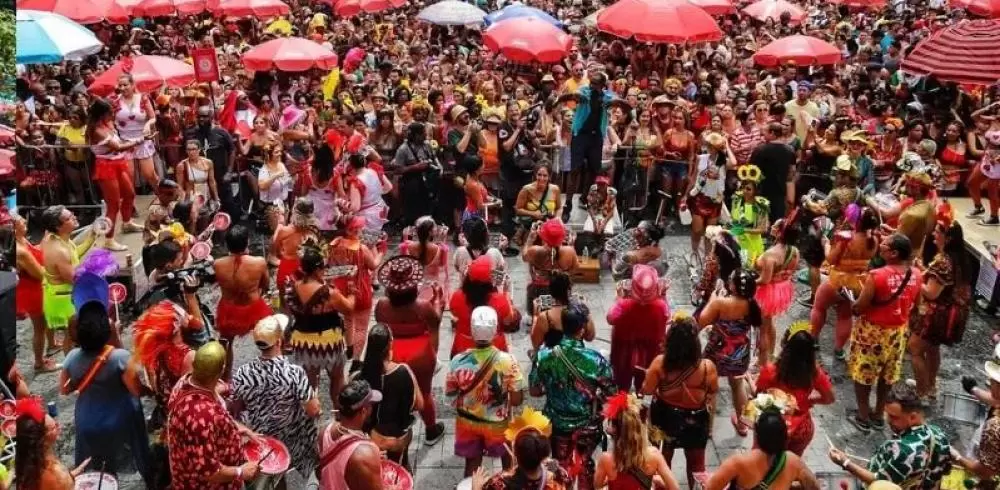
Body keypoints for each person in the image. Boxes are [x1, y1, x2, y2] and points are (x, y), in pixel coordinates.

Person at [59, 301, 152, 485]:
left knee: (100, 468)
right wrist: (149, 389)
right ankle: (151, 479)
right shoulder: (119, 357)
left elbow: (64, 388)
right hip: (120, 420)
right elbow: (135, 389)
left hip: (87, 419)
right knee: (140, 453)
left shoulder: (71, 357)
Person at [530, 303, 615, 490]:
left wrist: (554, 386)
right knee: (584, 464)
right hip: (587, 425)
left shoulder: (544, 355)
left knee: (560, 467)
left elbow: (534, 390)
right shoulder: (596, 360)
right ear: (582, 329)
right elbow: (612, 394)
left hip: (557, 423)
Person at [231, 314, 320, 486]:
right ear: (279, 341)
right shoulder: (294, 373)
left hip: (259, 438)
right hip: (290, 439)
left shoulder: (243, 373)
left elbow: (237, 406)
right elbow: (313, 410)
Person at [847, 233, 922, 433]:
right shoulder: (917, 274)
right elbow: (917, 306)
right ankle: (879, 414)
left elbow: (860, 307)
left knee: (862, 375)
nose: (881, 245)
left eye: (886, 245)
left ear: (894, 253)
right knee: (887, 376)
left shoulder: (876, 276)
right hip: (898, 333)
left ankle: (863, 415)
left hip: (872, 332)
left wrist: (852, 302)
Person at [374, 255, 447, 447]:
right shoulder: (422, 306)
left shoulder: (381, 305)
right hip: (421, 355)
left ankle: (396, 426)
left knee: (393, 390)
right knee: (425, 391)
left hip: (391, 352)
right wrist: (438, 300)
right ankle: (431, 429)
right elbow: (436, 320)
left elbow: (380, 325)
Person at [166, 342, 261, 490]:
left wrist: (237, 429)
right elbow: (209, 471)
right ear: (220, 371)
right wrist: (241, 471)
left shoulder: (185, 381)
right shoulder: (201, 417)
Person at [447, 306, 527, 478]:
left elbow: (451, 393)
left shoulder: (457, 361)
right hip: (497, 424)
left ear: (472, 330)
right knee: (508, 465)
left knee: (472, 468)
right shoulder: (508, 361)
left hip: (468, 423)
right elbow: (517, 400)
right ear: (495, 330)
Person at [640, 313, 718, 489]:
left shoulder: (660, 364)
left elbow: (647, 390)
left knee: (663, 462)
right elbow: (712, 394)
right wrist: (710, 426)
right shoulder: (708, 367)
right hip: (696, 421)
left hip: (665, 417)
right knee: (697, 467)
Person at [829, 381, 952, 489]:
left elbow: (878, 482)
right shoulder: (939, 434)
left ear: (913, 417)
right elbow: (941, 475)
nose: (888, 420)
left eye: (893, 417)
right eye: (887, 414)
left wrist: (846, 463)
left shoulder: (901, 450)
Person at [908, 206, 970, 402]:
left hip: (936, 314)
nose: (934, 232)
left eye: (938, 230)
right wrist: (924, 270)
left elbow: (931, 293)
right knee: (933, 349)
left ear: (948, 238)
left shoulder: (943, 261)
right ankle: (931, 385)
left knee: (915, 349)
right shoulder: (956, 259)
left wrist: (916, 275)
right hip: (948, 312)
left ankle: (921, 390)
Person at [286, 246, 356, 404]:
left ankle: (310, 414)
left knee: (309, 382)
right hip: (329, 341)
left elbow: (290, 310)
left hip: (303, 341)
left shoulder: (292, 287)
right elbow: (349, 309)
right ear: (318, 269)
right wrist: (351, 289)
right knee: (337, 378)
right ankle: (339, 413)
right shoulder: (328, 293)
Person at [698, 268, 762, 437]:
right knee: (738, 385)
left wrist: (712, 299)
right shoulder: (752, 304)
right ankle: (743, 424)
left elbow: (701, 322)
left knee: (710, 388)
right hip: (740, 352)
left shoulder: (720, 303)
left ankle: (709, 428)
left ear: (733, 286)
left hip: (717, 351)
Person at [810, 206, 879, 359]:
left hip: (837, 280)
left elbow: (831, 259)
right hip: (857, 284)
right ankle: (839, 349)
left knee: (819, 307)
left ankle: (813, 339)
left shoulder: (847, 238)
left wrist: (826, 245)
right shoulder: (874, 240)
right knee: (845, 316)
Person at [352, 324, 423, 469]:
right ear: (390, 344)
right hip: (398, 439)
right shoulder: (404, 371)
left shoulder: (357, 378)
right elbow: (419, 404)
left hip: (370, 441)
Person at [755, 328, 835, 456]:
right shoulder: (814, 374)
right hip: (801, 429)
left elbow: (759, 397)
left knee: (766, 460)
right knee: (791, 464)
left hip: (773, 427)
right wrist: (811, 400)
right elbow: (829, 398)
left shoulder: (770, 371)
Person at [85, 99, 147, 250]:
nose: (112, 115)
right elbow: (118, 147)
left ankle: (126, 223)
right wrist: (139, 140)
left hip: (118, 163)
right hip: (106, 166)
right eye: (110, 113)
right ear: (102, 115)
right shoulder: (96, 131)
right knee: (113, 206)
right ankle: (109, 239)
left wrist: (133, 140)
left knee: (130, 194)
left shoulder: (108, 124)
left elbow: (120, 144)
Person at [707, 409, 820, 490]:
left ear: (756, 433)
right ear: (784, 436)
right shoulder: (794, 462)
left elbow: (711, 488)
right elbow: (814, 487)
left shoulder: (737, 463)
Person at [213, 224, 272, 380]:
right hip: (254, 307)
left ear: (227, 244)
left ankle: (225, 378)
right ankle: (272, 371)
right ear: (247, 242)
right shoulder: (258, 262)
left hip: (228, 309)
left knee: (225, 343)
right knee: (270, 338)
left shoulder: (218, 264)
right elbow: (265, 285)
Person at [595, 392, 681, 490]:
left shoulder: (606, 459)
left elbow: (597, 485)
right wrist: (657, 481)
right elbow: (675, 488)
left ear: (615, 431)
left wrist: (609, 479)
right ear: (640, 428)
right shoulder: (654, 455)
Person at [131, 300, 197, 429]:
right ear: (176, 324)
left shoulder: (154, 353)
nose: (185, 314)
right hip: (186, 421)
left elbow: (155, 388)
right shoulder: (188, 356)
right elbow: (193, 395)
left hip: (168, 417)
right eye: (180, 313)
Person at [41, 206, 96, 353]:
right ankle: (70, 367)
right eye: (69, 218)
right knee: (71, 336)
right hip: (63, 298)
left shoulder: (57, 238)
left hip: (59, 292)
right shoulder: (58, 250)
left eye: (72, 214)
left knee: (71, 334)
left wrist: (92, 237)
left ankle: (58, 350)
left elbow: (74, 255)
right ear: (58, 226)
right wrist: (95, 273)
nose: (74, 217)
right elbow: (72, 279)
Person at [476, 408, 573, 490]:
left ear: (514, 453)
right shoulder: (561, 477)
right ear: (544, 452)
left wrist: (476, 487)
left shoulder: (500, 484)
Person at [607, 264, 669, 392]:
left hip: (623, 354)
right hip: (649, 353)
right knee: (643, 382)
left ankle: (623, 402)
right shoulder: (661, 306)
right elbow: (666, 317)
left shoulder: (624, 305)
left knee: (622, 384)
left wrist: (618, 298)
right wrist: (663, 295)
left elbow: (610, 318)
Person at [316, 379, 384, 490]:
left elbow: (320, 473)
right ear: (363, 410)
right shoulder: (365, 454)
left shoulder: (324, 432)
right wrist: (371, 460)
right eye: (370, 404)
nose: (372, 407)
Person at [327, 216, 378, 361]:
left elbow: (329, 265)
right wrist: (379, 252)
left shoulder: (334, 244)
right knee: (361, 327)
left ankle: (348, 346)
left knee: (348, 320)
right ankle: (356, 360)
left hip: (341, 290)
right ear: (352, 230)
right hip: (360, 289)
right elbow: (373, 266)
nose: (361, 229)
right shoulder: (361, 249)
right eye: (359, 227)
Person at [564, 72, 614, 220]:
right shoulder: (584, 91)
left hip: (596, 136)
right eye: (591, 83)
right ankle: (568, 204)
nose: (592, 86)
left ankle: (584, 197)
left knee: (594, 169)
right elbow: (577, 93)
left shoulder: (607, 96)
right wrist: (577, 96)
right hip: (580, 135)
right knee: (575, 170)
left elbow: (615, 100)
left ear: (602, 85)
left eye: (596, 84)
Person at [13, 397, 90, 490]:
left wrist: (72, 474)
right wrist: (66, 480)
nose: (59, 426)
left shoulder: (27, 464)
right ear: (42, 440)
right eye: (54, 427)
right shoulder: (55, 475)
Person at [449, 255, 517, 357]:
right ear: (490, 281)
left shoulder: (457, 297)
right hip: (494, 349)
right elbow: (508, 320)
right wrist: (506, 293)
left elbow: (454, 313)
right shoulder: (499, 300)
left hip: (463, 347)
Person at [14, 214, 57, 372]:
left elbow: (35, 251)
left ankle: (51, 344)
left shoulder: (21, 240)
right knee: (39, 327)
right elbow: (39, 274)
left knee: (45, 321)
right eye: (20, 221)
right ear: (13, 227)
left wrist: (44, 242)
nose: (25, 221)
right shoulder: (19, 251)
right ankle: (39, 363)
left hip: (34, 287)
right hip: (33, 290)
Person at [754, 217, 799, 365]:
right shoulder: (794, 251)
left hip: (768, 291)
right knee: (769, 322)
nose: (771, 226)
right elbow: (791, 270)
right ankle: (771, 355)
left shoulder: (771, 254)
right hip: (782, 288)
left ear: (780, 233)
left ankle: (762, 363)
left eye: (774, 226)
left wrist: (749, 282)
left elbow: (765, 280)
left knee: (762, 328)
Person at [685, 132, 735, 264]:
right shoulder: (701, 158)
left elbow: (734, 163)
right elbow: (694, 177)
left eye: (711, 146)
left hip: (715, 200)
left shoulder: (723, 161)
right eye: (708, 145)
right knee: (697, 230)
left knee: (709, 232)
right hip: (700, 198)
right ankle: (694, 253)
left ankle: (707, 257)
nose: (708, 147)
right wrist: (686, 195)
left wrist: (727, 146)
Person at [954, 346, 1000, 487]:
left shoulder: (995, 428)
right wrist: (974, 390)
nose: (988, 382)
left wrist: (957, 456)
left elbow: (984, 471)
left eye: (992, 380)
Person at [185, 106, 238, 219]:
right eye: (199, 117)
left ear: (211, 117)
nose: (201, 120)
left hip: (220, 174)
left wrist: (229, 171)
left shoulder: (221, 133)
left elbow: (232, 150)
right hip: (200, 177)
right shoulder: (190, 133)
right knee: (202, 206)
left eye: (204, 117)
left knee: (227, 205)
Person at [530, 270, 595, 351]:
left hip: (554, 358)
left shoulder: (545, 317)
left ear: (551, 291)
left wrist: (536, 316)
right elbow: (590, 337)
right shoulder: (580, 308)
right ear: (569, 290)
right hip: (577, 355)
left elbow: (536, 345)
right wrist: (587, 310)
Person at [114, 74, 160, 189]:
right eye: (120, 85)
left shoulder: (143, 98)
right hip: (125, 142)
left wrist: (148, 125)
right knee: (128, 176)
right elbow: (109, 119)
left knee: (149, 174)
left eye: (125, 85)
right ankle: (130, 205)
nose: (123, 88)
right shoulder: (114, 101)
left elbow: (153, 117)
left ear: (132, 85)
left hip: (143, 139)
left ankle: (163, 197)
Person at [522, 219, 577, 311]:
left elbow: (524, 257)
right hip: (560, 290)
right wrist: (571, 245)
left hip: (540, 290)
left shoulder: (535, 251)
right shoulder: (569, 251)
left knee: (543, 313)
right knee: (557, 313)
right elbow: (574, 270)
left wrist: (530, 239)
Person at [272, 198, 319, 299]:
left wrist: (280, 223)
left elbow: (276, 252)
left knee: (284, 295)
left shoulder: (284, 231)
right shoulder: (314, 230)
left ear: (294, 212)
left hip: (288, 265)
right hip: (307, 266)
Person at [393, 122, 439, 226]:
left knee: (427, 213)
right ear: (415, 135)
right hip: (411, 185)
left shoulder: (427, 145)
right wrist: (415, 167)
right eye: (422, 134)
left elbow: (434, 158)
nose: (425, 136)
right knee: (412, 215)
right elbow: (397, 170)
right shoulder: (403, 149)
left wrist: (438, 167)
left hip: (427, 184)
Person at [749, 122, 795, 223]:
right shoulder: (790, 150)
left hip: (761, 193)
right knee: (776, 226)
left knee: (760, 225)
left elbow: (751, 172)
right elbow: (791, 174)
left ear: (772, 133)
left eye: (765, 132)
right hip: (780, 194)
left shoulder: (759, 150)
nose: (763, 135)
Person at [399, 215, 450, 306]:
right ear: (431, 232)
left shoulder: (407, 247)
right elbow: (442, 265)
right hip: (432, 291)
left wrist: (405, 238)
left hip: (413, 289)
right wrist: (443, 241)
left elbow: (404, 263)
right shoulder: (439, 249)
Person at [729, 165, 770, 266]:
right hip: (736, 242)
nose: (744, 191)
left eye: (748, 189)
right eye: (742, 187)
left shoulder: (760, 205)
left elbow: (763, 229)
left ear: (755, 191)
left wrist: (743, 230)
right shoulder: (737, 199)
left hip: (752, 246)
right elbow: (733, 219)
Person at [515, 165, 563, 244]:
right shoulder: (526, 189)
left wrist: (557, 218)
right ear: (535, 175)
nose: (542, 178)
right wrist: (533, 213)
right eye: (539, 175)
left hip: (549, 230)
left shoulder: (555, 189)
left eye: (545, 176)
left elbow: (559, 208)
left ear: (549, 176)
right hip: (531, 230)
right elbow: (517, 209)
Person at [454, 216, 508, 281]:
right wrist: (501, 249)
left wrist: (465, 246)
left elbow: (457, 268)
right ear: (485, 234)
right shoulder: (495, 252)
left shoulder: (460, 251)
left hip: (466, 290)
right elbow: (501, 274)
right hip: (488, 290)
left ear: (466, 236)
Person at [176, 139, 220, 208]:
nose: (191, 152)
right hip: (191, 198)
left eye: (194, 149)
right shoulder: (182, 165)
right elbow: (179, 186)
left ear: (199, 150)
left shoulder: (208, 163)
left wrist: (216, 198)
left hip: (206, 195)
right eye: (189, 150)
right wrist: (183, 202)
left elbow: (212, 181)